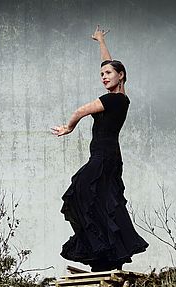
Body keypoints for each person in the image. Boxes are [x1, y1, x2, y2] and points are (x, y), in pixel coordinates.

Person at [51, 25, 149, 272]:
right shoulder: (121, 97)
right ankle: (105, 258)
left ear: (121, 75)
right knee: (105, 203)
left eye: (108, 74)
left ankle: (100, 249)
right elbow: (110, 63)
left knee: (80, 194)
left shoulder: (113, 100)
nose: (104, 77)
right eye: (101, 74)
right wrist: (101, 42)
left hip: (103, 158)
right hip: (110, 158)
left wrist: (69, 127)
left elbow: (80, 111)